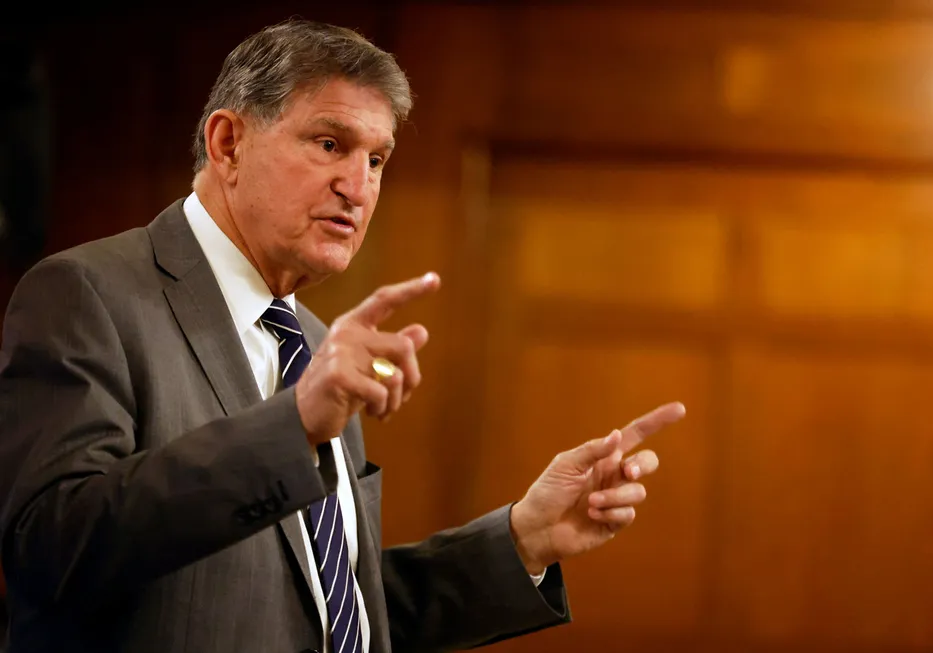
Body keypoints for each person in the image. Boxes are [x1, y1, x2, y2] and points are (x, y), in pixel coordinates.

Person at [0, 19, 685, 653]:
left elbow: (323, 612)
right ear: (227, 142)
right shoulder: (90, 296)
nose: (357, 186)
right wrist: (293, 425)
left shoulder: (315, 344)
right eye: (331, 144)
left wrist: (521, 539)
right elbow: (52, 549)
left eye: (378, 160)